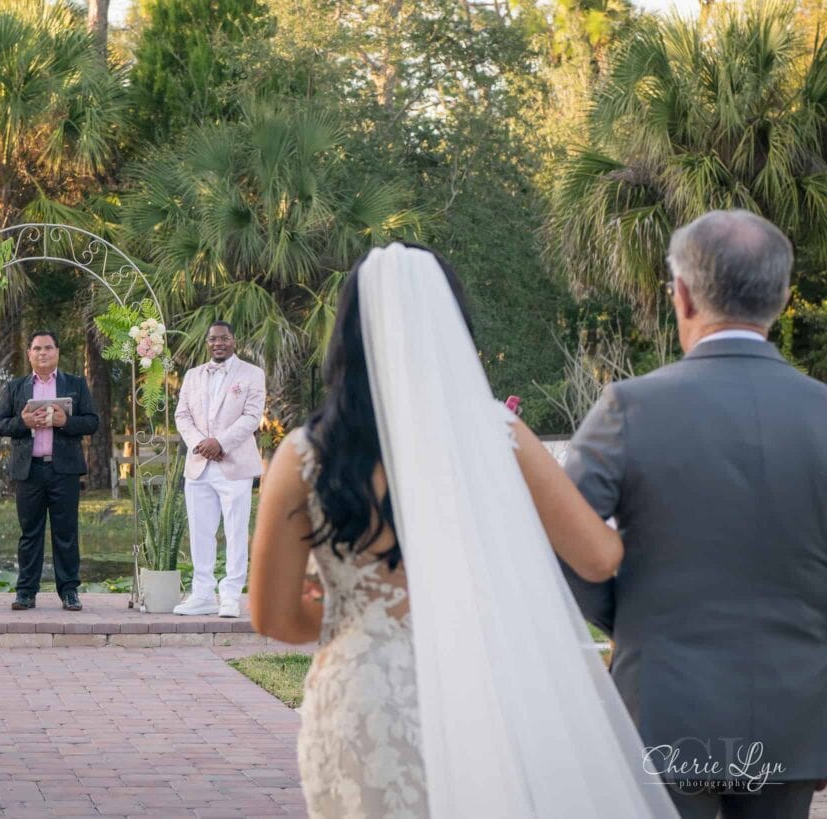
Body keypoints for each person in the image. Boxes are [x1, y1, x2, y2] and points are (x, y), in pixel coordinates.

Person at [249, 243, 678, 818]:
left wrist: (339, 612)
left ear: (345, 336)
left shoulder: (304, 454)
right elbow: (599, 558)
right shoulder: (497, 433)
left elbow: (273, 618)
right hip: (486, 690)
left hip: (363, 696)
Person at [563, 210, 827, 819]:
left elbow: (560, 538)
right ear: (784, 296)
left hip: (663, 706)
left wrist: (628, 618)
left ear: (680, 295)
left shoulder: (630, 407)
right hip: (793, 714)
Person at [0, 331, 98, 612]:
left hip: (64, 471)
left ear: (57, 353)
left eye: (48, 348)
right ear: (29, 354)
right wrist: (23, 422)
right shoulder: (16, 388)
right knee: (30, 533)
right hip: (29, 472)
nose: (43, 353)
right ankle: (26, 592)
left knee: (66, 532)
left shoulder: (75, 384)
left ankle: (69, 592)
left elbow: (92, 422)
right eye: (37, 348)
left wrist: (66, 421)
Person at [173, 321, 265, 618]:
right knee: (200, 532)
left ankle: (230, 596)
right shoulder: (193, 375)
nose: (218, 343)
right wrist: (201, 443)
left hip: (235, 465)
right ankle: (202, 595)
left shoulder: (252, 374)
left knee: (236, 532)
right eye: (213, 339)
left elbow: (252, 416)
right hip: (199, 465)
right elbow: (182, 415)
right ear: (207, 342)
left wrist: (220, 443)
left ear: (233, 340)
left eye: (224, 338)